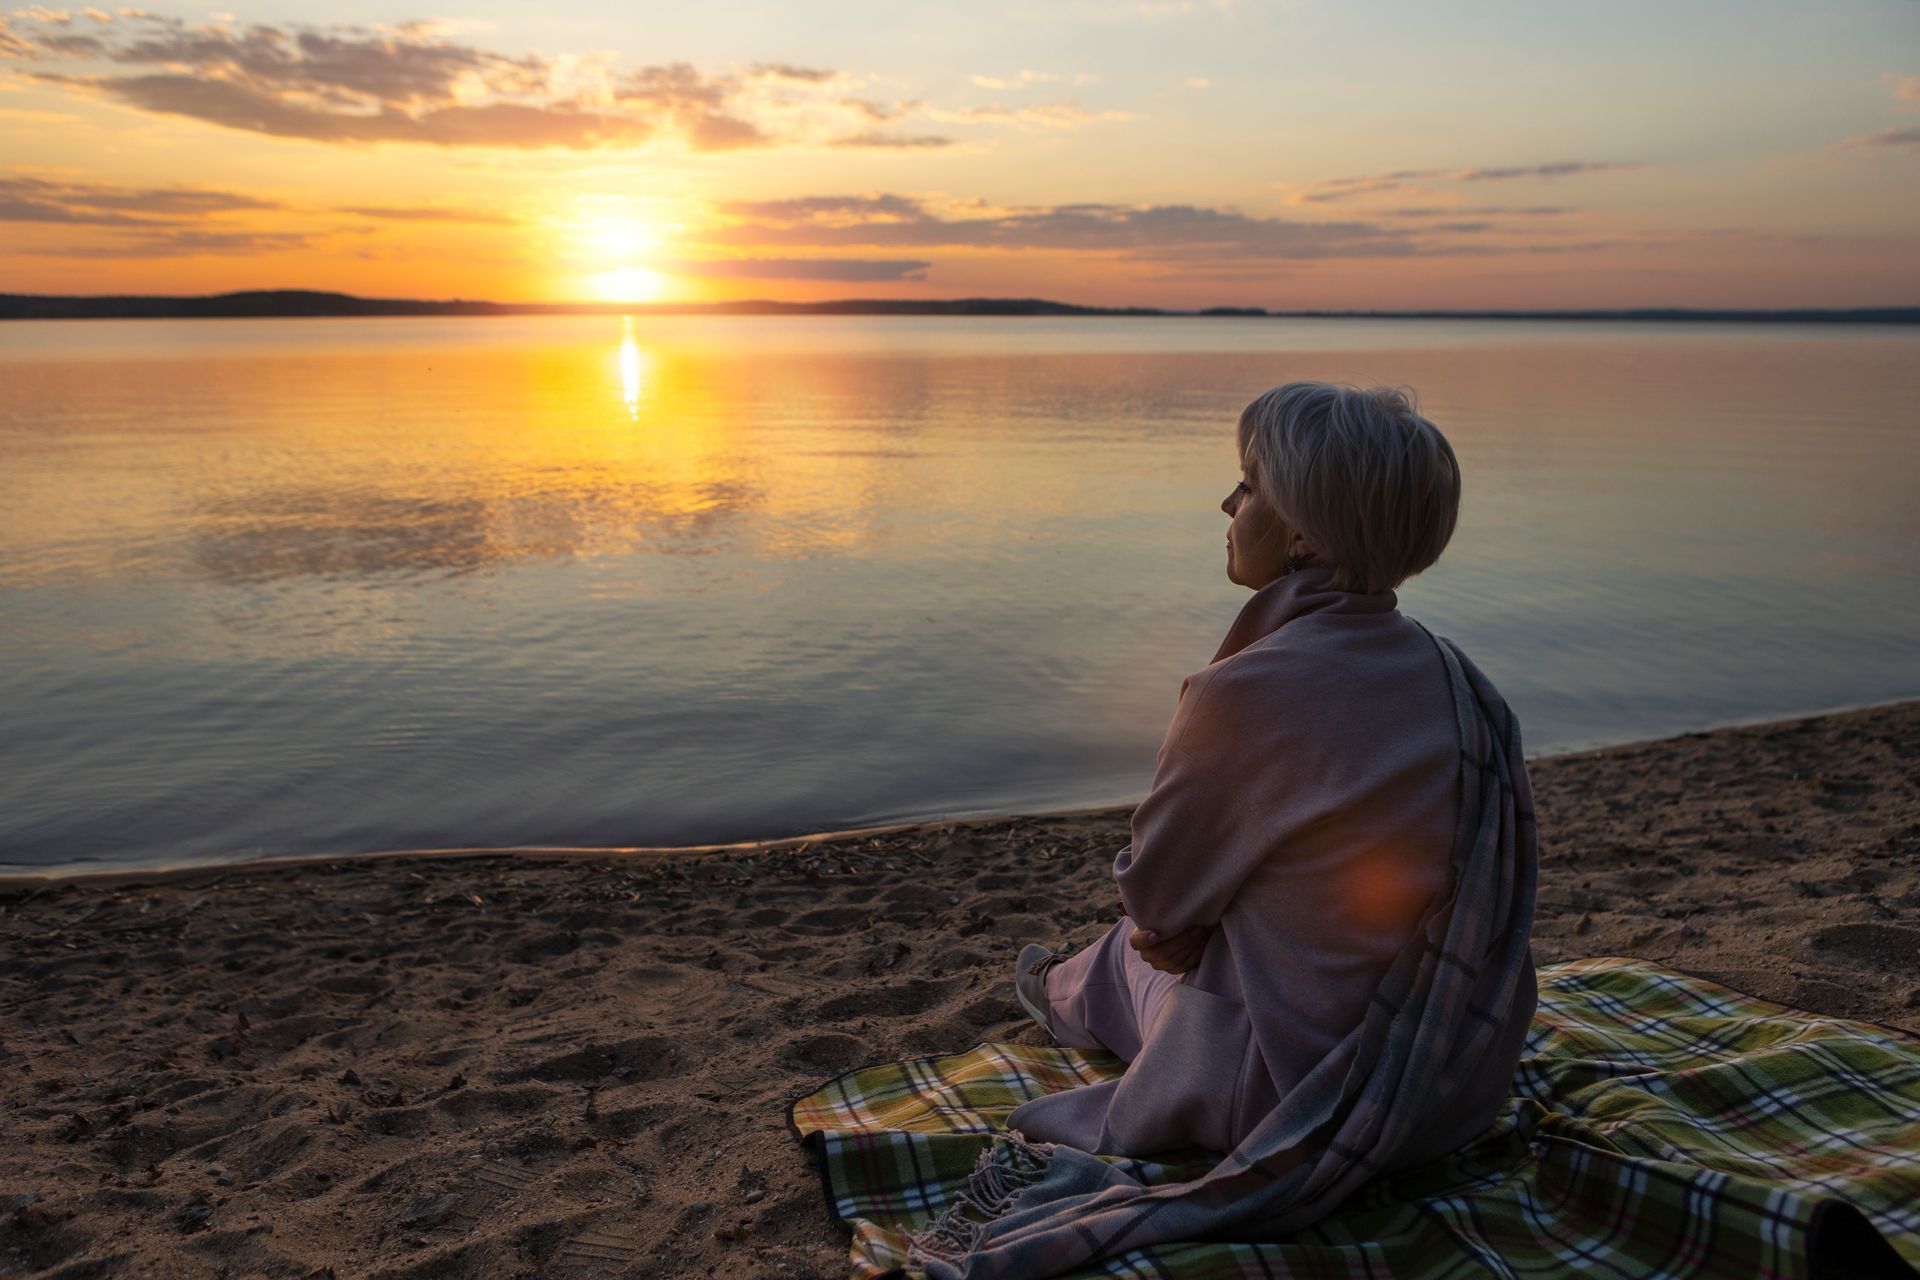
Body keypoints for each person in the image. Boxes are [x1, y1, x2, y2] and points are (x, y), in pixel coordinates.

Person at [910, 381, 1537, 1279]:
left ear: (1305, 536)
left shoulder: (1246, 690)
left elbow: (1155, 896)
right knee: (1229, 920)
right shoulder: (1460, 679)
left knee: (1132, 950)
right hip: (1456, 1079)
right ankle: (1077, 985)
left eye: (1248, 485)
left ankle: (1058, 994)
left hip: (1295, 1096)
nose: (1227, 504)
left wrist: (1179, 924)